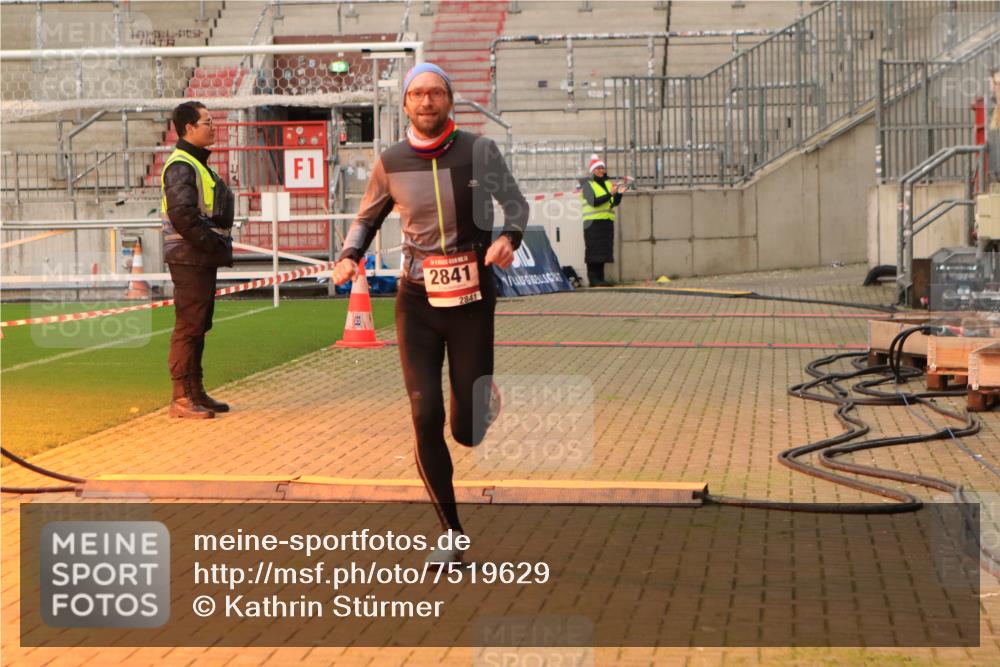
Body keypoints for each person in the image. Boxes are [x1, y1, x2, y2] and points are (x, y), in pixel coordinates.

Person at [332, 62, 528, 563]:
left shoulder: (479, 151)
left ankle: (481, 401)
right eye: (417, 93)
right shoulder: (391, 161)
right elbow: (366, 218)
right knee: (424, 414)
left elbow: (516, 205)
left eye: (435, 93)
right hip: (416, 302)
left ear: (449, 100)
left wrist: (509, 238)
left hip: (471, 301)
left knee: (466, 431)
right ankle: (451, 533)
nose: (426, 101)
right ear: (405, 104)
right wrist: (350, 255)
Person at [161, 101, 235, 419]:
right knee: (189, 326)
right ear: (189, 128)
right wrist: (210, 243)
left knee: (198, 325)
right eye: (207, 122)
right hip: (190, 255)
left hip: (197, 255)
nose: (213, 126)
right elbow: (182, 214)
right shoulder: (182, 165)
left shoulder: (195, 163)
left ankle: (195, 391)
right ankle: (182, 397)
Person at [579, 154, 623, 287]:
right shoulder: (587, 185)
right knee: (593, 251)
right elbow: (594, 202)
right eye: (598, 168)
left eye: (602, 168)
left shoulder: (608, 184)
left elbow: (613, 203)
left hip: (606, 222)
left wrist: (619, 194)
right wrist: (610, 193)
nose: (601, 170)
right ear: (592, 171)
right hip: (592, 223)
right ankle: (593, 279)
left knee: (603, 251)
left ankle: (600, 279)